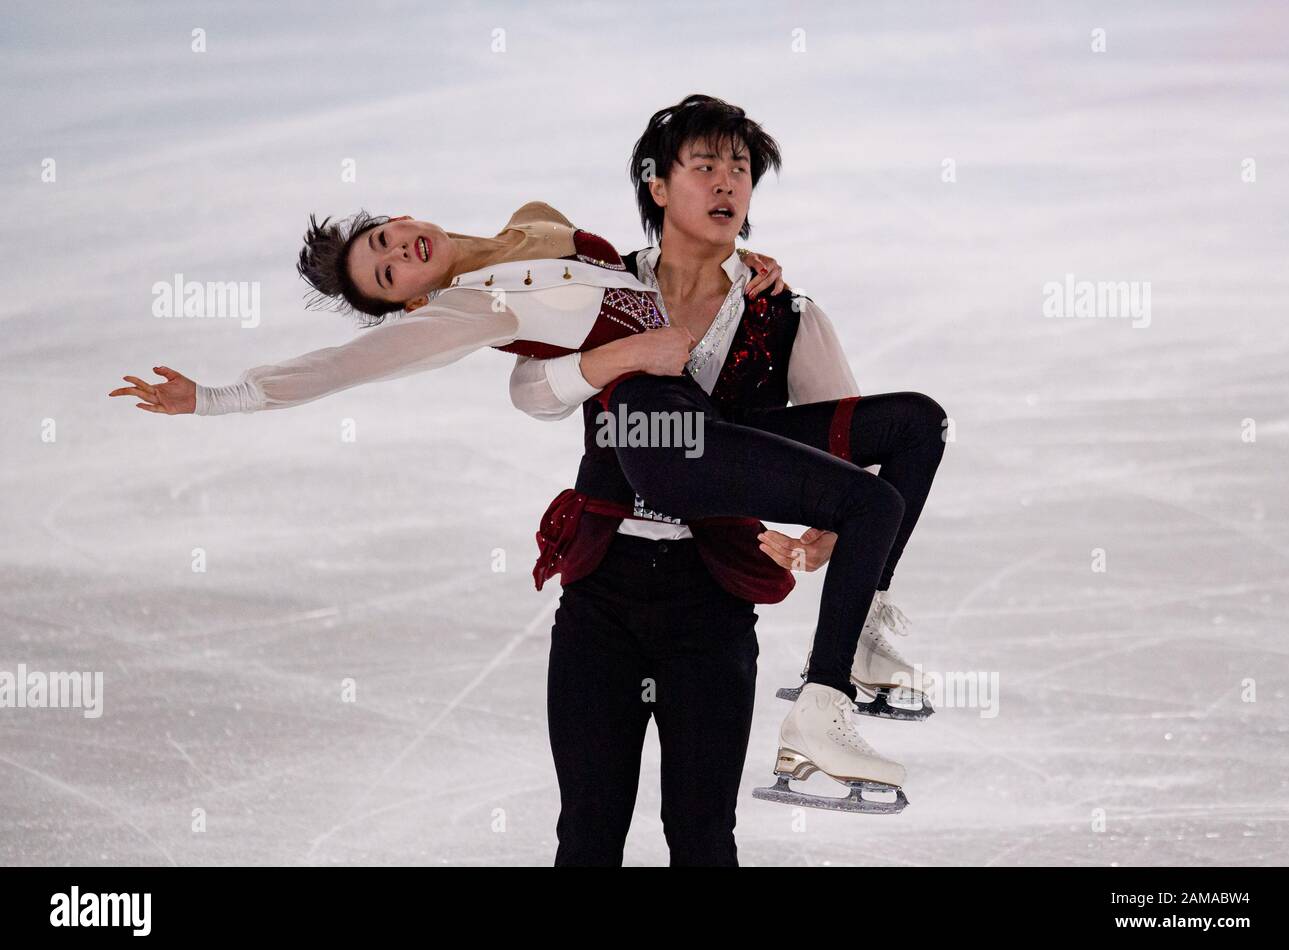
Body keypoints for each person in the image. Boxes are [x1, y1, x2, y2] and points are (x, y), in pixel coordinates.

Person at [108, 102, 945, 851]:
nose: (402, 253)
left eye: (387, 241)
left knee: (912, 434)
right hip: (639, 488)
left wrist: (823, 509)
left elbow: (823, 411)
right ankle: (828, 696)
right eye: (390, 273)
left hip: (710, 569)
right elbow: (374, 366)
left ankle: (852, 652)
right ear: (407, 303)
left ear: (401, 216)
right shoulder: (472, 306)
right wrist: (218, 397)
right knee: (589, 831)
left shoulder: (547, 233)